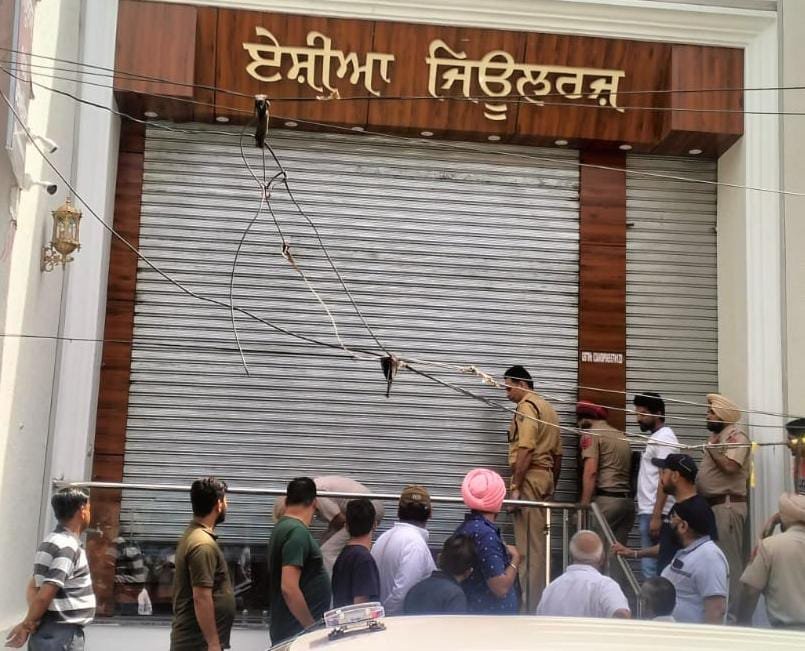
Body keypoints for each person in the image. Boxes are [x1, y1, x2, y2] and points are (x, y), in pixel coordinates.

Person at [5, 488, 95, 650]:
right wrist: (27, 624)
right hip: (61, 635)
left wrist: (33, 620)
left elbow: (33, 586)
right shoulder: (67, 546)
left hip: (48, 630)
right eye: (89, 508)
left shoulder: (50, 542)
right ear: (82, 510)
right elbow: (44, 594)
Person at [503, 364, 562, 612]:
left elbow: (525, 448)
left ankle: (531, 608)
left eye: (509, 387)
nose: (507, 394)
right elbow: (558, 456)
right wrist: (550, 483)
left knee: (528, 549)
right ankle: (538, 603)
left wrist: (517, 485)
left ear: (522, 384)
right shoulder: (549, 409)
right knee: (540, 547)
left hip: (529, 478)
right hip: (544, 477)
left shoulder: (526, 407)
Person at [612, 454, 718, 574]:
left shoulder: (698, 510)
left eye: (663, 472)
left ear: (675, 476)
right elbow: (667, 546)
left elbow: (708, 553)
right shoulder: (678, 507)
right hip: (667, 581)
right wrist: (634, 553)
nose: (660, 478)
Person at [697, 393, 750, 620]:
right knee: (715, 562)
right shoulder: (717, 439)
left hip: (726, 508)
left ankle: (733, 615)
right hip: (713, 508)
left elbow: (730, 466)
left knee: (729, 562)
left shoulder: (737, 437)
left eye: (712, 412)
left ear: (723, 416)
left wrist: (711, 450)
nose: (707, 416)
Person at [170, 477, 235, 651]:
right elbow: (201, 598)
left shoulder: (196, 536)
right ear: (218, 505)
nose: (227, 505)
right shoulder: (202, 544)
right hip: (197, 644)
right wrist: (213, 643)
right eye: (225, 500)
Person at [274, 476, 384, 575]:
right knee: (324, 544)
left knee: (327, 552)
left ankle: (331, 585)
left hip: (366, 511)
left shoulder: (317, 494)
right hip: (361, 510)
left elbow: (339, 520)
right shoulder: (312, 490)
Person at [267, 477, 331, 644]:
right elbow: (289, 588)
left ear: (287, 500)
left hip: (290, 630)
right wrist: (311, 627)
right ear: (314, 503)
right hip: (296, 633)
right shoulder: (297, 532)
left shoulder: (282, 527)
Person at [454, 468, 520, 613]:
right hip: (491, 619)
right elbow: (500, 587)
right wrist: (516, 559)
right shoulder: (485, 535)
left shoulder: (466, 528)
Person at [737, 493, 805, 629]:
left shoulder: (770, 546)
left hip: (787, 633)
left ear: (783, 518)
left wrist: (742, 624)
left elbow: (750, 591)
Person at [660, 497, 728, 625]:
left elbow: (716, 610)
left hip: (691, 636)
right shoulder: (690, 552)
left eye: (673, 518)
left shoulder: (709, 557)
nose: (669, 522)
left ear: (683, 526)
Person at [633, 391, 679, 579]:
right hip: (651, 510)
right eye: (637, 413)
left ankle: (656, 599)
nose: (638, 419)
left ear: (658, 413)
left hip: (655, 510)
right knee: (652, 567)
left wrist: (656, 515)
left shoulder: (665, 438)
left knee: (653, 569)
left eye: (643, 414)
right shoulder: (658, 437)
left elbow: (665, 476)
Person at [371, 485, 436, 616]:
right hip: (398, 623)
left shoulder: (383, 537)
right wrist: (387, 617)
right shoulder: (415, 545)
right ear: (430, 513)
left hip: (382, 619)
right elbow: (403, 595)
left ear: (398, 511)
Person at [577, 402, 635, 546]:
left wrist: (584, 506)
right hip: (626, 503)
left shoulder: (591, 434)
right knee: (617, 553)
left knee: (595, 550)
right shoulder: (621, 436)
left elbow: (591, 472)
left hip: (606, 503)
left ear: (584, 419)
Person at [535, 530, 630, 619]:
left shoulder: (552, 588)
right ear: (602, 558)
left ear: (571, 556)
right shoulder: (605, 586)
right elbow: (622, 615)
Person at [403, 535, 475, 615]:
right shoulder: (455, 596)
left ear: (439, 558)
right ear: (469, 571)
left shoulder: (415, 589)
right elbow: (455, 623)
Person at [331, 498, 381, 608]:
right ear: (374, 524)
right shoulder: (364, 560)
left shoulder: (343, 555)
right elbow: (361, 606)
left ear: (346, 526)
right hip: (357, 619)